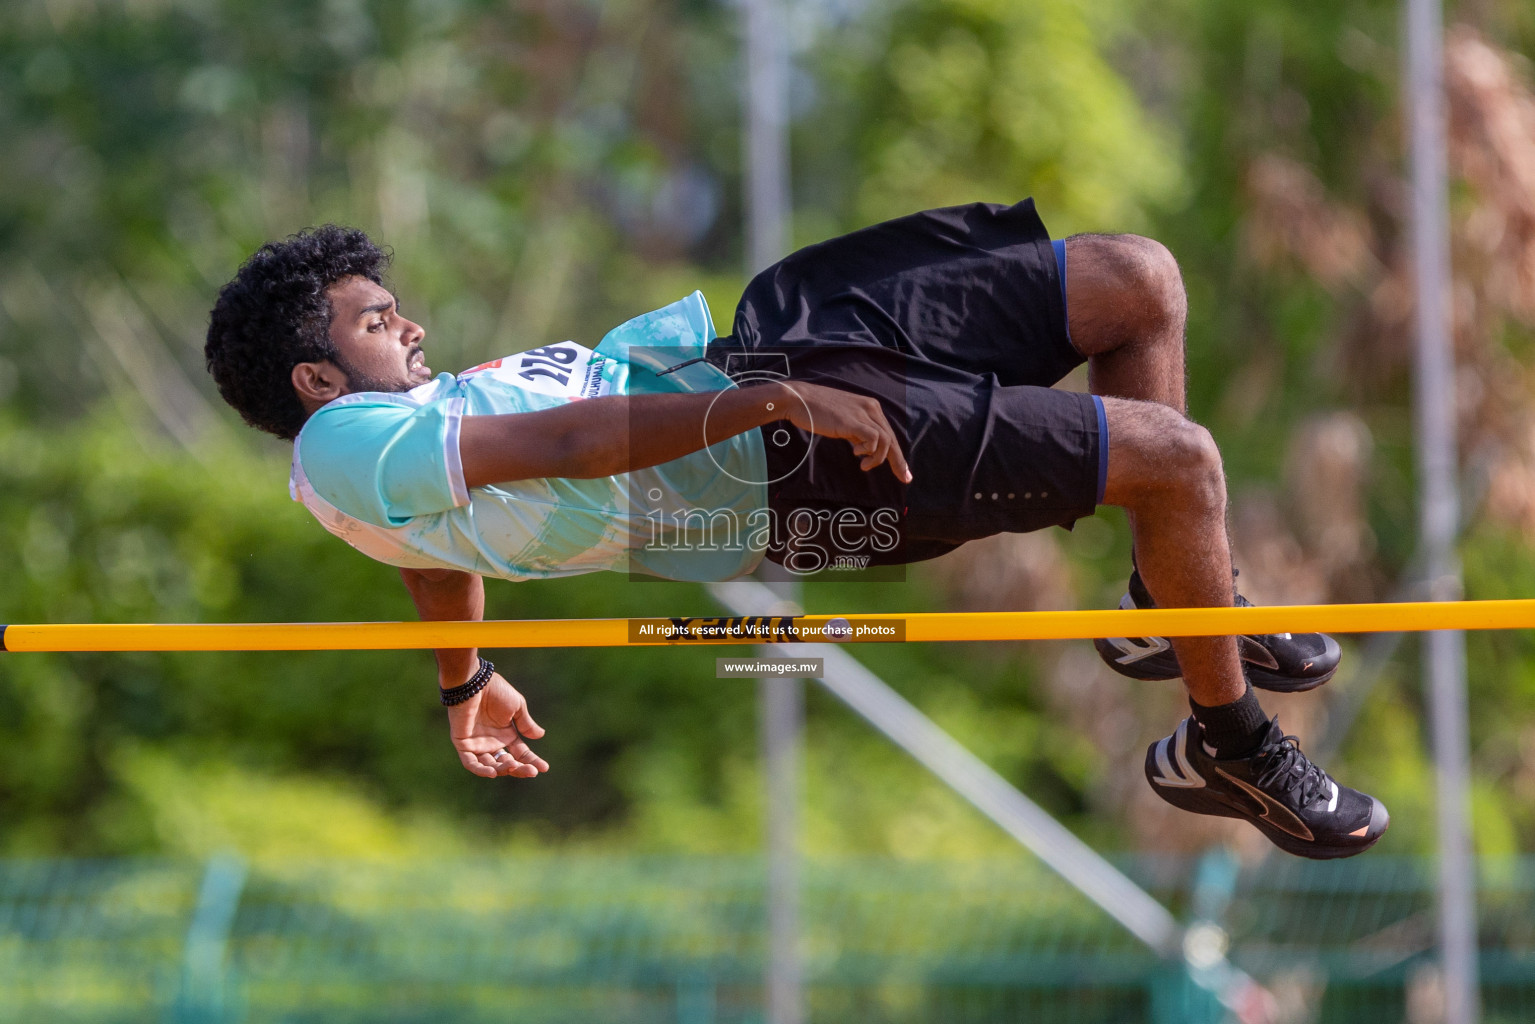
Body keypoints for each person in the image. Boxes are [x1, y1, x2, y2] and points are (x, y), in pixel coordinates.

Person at [204, 200, 1388, 859]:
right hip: (776, 467)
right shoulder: (340, 444)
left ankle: (1167, 610)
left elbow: (434, 546)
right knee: (1173, 463)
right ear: (315, 377)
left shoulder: (384, 448)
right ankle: (1225, 738)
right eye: (374, 319)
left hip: (763, 350)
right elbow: (564, 447)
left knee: (1136, 279)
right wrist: (762, 403)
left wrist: (464, 680)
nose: (406, 323)